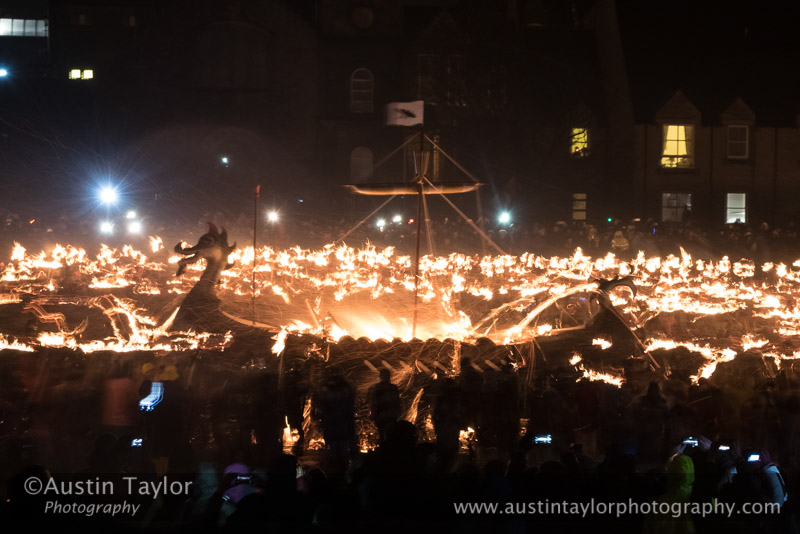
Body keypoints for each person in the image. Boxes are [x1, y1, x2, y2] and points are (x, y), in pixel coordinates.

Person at [367, 369, 402, 444]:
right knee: (391, 435)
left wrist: (373, 414)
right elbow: (398, 402)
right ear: (389, 377)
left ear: (380, 376)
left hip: (381, 415)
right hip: (392, 415)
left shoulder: (376, 388)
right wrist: (398, 412)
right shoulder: (393, 388)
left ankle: (384, 450)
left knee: (382, 434)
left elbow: (373, 402)